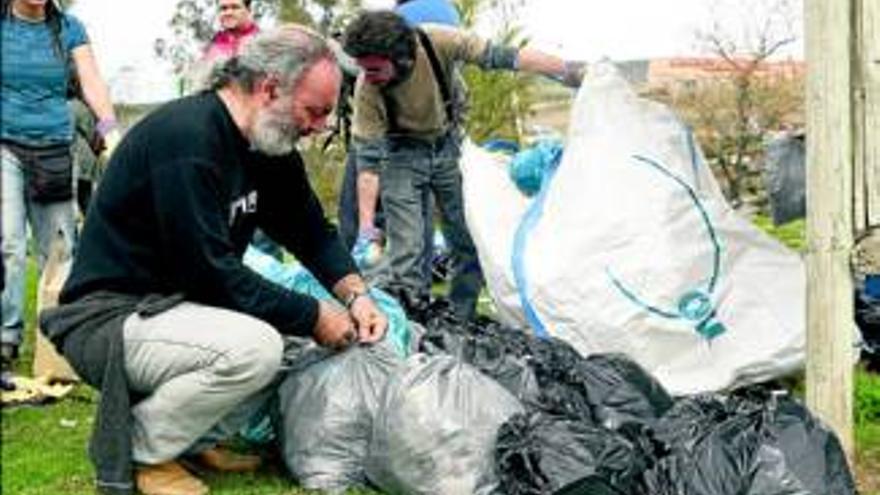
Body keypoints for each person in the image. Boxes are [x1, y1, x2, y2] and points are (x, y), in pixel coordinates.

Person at [40, 24, 388, 495]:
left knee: (290, 346)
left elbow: (310, 231)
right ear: (270, 89)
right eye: (315, 111)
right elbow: (208, 273)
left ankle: (191, 440)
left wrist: (356, 296)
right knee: (257, 349)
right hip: (108, 317)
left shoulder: (268, 145)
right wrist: (314, 315)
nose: (320, 126)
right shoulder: (188, 139)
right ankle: (141, 451)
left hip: (175, 310)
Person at [342, 10, 584, 321]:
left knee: (466, 241)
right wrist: (366, 229)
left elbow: (504, 56)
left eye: (374, 68)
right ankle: (414, 321)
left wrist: (568, 71)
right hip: (400, 156)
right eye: (363, 68)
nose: (367, 75)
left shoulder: (437, 40)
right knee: (407, 251)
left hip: (446, 146)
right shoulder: (368, 89)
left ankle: (462, 318)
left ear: (399, 56)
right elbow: (368, 165)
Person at [1, 0, 119, 367]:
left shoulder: (69, 27)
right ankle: (6, 336)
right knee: (9, 244)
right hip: (5, 145)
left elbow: (91, 82)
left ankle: (60, 339)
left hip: (54, 149)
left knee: (59, 250)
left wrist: (109, 131)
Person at [187, 0, 260, 92]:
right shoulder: (213, 44)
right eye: (223, 8)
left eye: (235, 7)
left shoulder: (262, 41)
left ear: (248, 10)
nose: (228, 13)